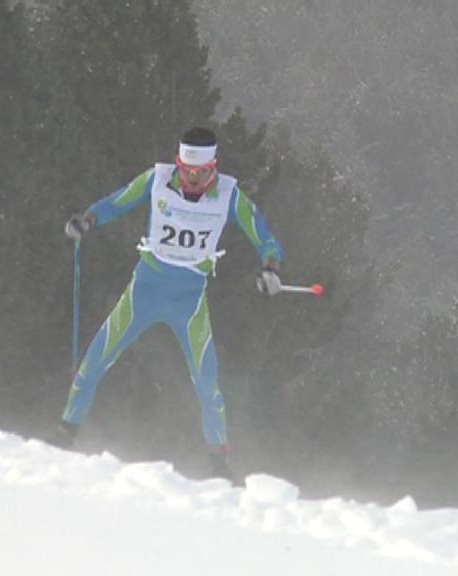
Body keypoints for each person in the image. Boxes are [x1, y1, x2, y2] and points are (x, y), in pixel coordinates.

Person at [51, 127, 284, 482]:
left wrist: (270, 268)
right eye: (186, 172)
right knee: (93, 363)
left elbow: (265, 237)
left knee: (208, 384)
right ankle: (63, 438)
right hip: (144, 290)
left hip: (188, 301)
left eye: (201, 173)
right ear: (178, 164)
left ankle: (220, 467)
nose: (192, 180)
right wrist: (88, 220)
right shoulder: (158, 179)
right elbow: (118, 202)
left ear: (213, 168)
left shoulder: (229, 195)